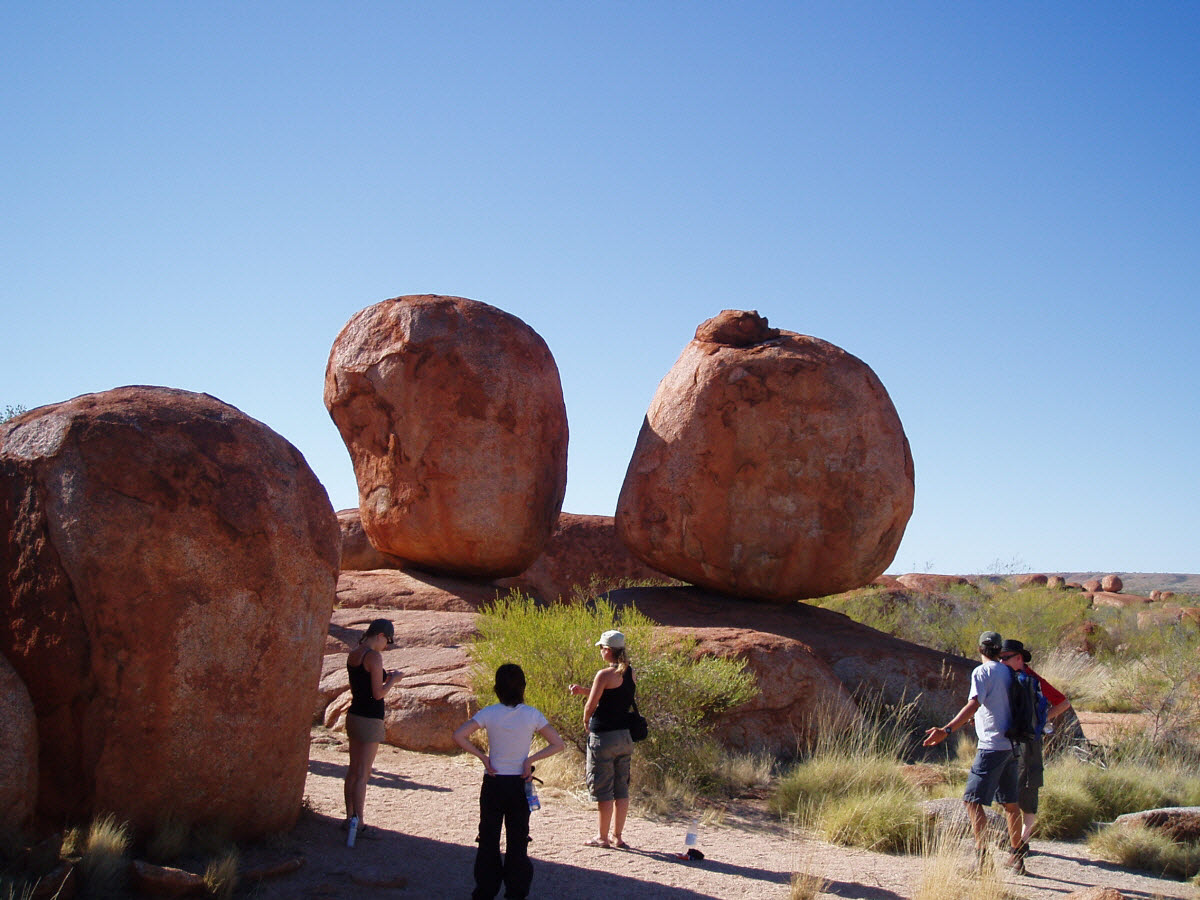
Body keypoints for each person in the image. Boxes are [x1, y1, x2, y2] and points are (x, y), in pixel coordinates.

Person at [453, 663, 565, 900]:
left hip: (494, 782)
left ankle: (485, 890)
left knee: (488, 838)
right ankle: (516, 891)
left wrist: (483, 757)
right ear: (523, 687)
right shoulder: (532, 714)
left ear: (497, 688)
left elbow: (459, 735)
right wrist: (530, 760)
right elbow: (558, 743)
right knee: (518, 839)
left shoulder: (489, 713)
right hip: (519, 783)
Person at [923, 630, 1024, 870]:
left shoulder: (982, 672)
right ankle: (1017, 856)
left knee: (971, 800)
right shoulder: (1009, 672)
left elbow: (974, 703)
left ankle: (982, 858)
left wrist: (946, 730)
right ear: (1000, 650)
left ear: (980, 649)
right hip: (1011, 744)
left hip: (992, 746)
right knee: (1010, 803)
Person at [1000, 638, 1072, 870]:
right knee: (1011, 791)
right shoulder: (1009, 677)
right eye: (1001, 657)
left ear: (1019, 658)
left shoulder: (1032, 679)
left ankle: (1022, 842)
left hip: (1027, 744)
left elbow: (1063, 702)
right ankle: (1017, 839)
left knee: (1027, 790)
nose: (1002, 661)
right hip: (1012, 741)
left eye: (1006, 657)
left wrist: (1039, 723)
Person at [569, 629, 636, 849]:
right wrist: (583, 690)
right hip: (625, 736)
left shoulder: (604, 674)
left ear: (608, 650)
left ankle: (602, 837)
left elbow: (593, 703)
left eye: (601, 648)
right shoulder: (630, 673)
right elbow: (613, 695)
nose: (600, 651)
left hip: (604, 737)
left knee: (604, 788)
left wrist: (585, 719)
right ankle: (618, 836)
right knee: (621, 788)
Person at [344, 618, 402, 839]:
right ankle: (359, 823)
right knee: (363, 774)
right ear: (380, 636)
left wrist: (385, 676)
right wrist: (393, 680)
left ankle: (349, 818)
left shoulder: (354, 654)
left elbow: (364, 683)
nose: (386, 645)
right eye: (387, 640)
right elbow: (378, 693)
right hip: (370, 718)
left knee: (352, 770)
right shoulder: (375, 657)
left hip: (355, 714)